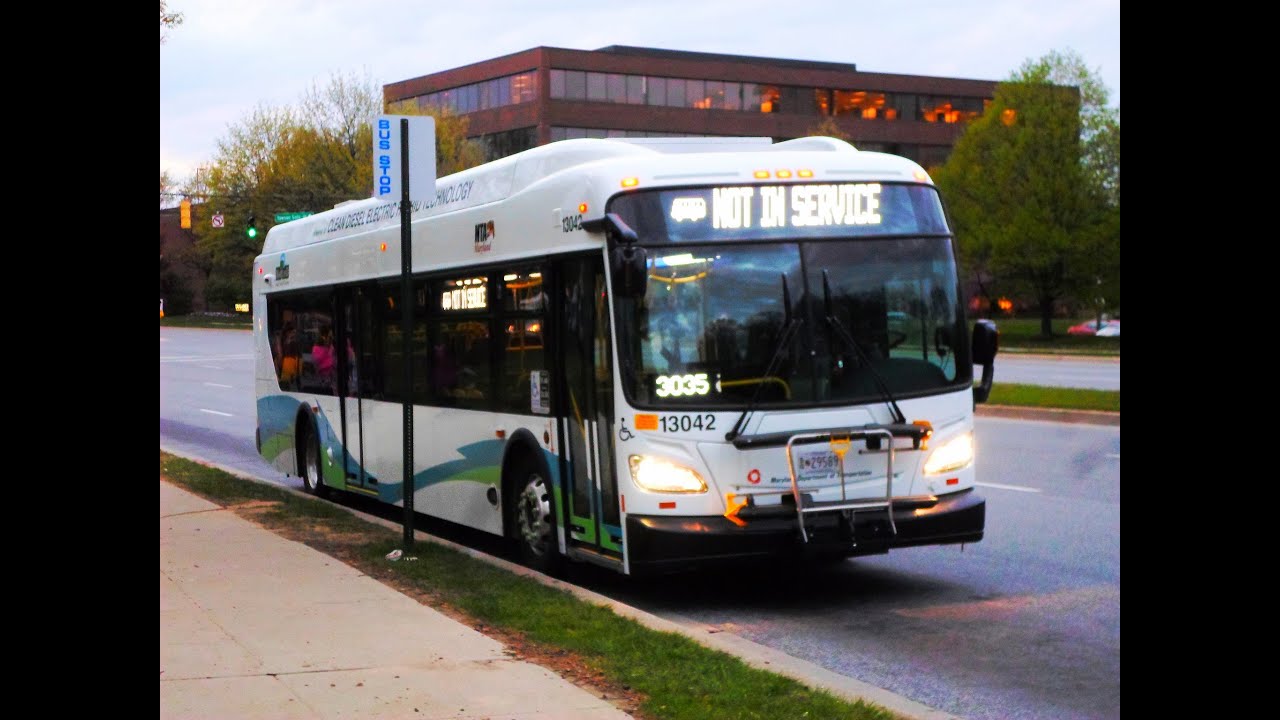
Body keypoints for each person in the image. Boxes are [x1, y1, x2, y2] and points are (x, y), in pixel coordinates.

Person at [312, 325, 337, 391]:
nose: (332, 336)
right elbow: (317, 360)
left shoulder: (330, 345)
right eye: (330, 334)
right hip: (324, 373)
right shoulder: (320, 345)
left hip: (329, 373)